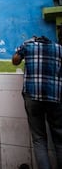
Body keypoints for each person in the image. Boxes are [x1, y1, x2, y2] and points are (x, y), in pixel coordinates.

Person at [12, 35, 62, 169]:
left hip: (33, 96)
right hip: (55, 97)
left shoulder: (28, 46)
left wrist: (22, 46)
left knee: (39, 138)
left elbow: (15, 61)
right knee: (59, 139)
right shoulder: (59, 49)